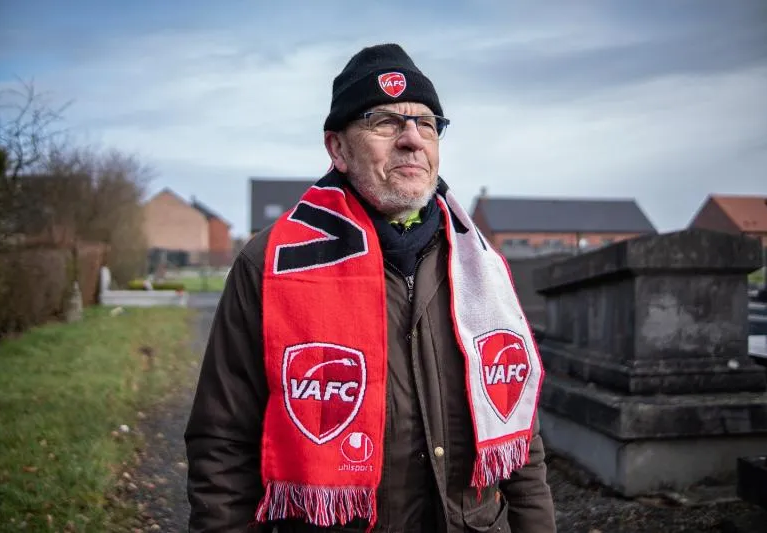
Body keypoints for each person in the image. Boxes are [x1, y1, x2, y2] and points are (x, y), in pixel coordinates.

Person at [185, 43, 556, 533]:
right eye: (384, 122)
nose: (412, 139)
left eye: (426, 123)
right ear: (337, 148)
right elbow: (223, 444)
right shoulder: (270, 265)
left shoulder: (479, 268)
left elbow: (518, 430)